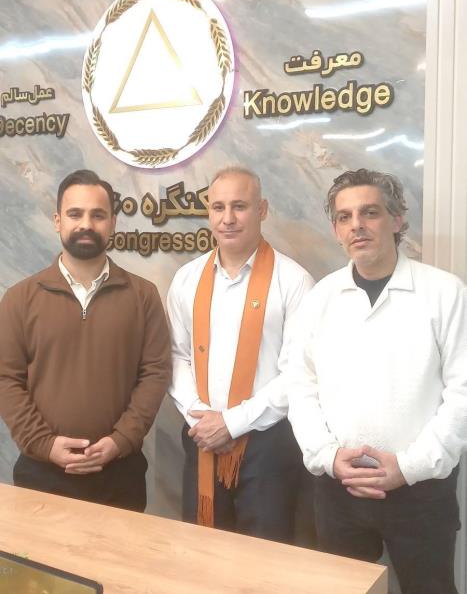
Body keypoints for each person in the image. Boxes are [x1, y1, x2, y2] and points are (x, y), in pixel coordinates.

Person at [288, 168, 467, 593]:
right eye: (345, 217)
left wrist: (408, 467)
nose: (357, 225)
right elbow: (300, 388)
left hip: (421, 492)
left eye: (370, 212)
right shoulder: (319, 300)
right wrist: (328, 456)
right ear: (336, 230)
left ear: (397, 219)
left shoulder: (444, 293)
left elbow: (463, 393)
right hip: (339, 490)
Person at [0, 169, 171, 512]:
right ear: (58, 221)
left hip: (120, 475)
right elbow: (6, 378)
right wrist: (44, 444)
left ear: (113, 223)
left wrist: (120, 440)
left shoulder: (142, 296)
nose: (86, 224)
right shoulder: (20, 298)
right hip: (42, 475)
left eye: (98, 215)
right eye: (75, 214)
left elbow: (155, 374)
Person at [167, 166, 314, 542]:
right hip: (201, 438)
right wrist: (200, 417)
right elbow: (176, 356)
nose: (227, 218)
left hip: (268, 447)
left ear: (262, 209)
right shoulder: (187, 279)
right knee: (203, 553)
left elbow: (298, 373)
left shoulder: (294, 281)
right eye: (218, 207)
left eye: (240, 206)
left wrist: (231, 424)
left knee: (263, 560)